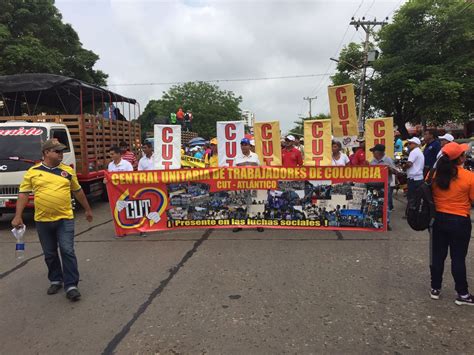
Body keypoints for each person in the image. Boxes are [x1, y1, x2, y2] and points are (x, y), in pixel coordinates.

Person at [11, 139, 93, 302]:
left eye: (62, 151)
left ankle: (71, 285)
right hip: (42, 220)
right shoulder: (33, 172)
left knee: (67, 250)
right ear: (46, 153)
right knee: (49, 253)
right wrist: (18, 215)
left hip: (65, 219)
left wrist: (88, 209)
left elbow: (77, 191)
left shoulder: (67, 171)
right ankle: (56, 279)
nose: (61, 154)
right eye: (57, 151)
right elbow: (24, 194)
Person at [429, 142, 474, 305]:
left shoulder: (434, 175)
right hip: (460, 221)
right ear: (460, 158)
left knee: (438, 256)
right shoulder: (469, 176)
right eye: (463, 153)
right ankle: (462, 294)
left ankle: (435, 288)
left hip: (438, 220)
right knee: (458, 258)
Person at [234, 138, 262, 233]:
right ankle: (239, 224)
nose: (244, 146)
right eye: (242, 144)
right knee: (241, 203)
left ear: (249, 146)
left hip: (253, 183)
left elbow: (259, 169)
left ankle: (258, 224)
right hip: (242, 184)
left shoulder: (255, 156)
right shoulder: (237, 157)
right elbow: (233, 171)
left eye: (245, 144)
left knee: (255, 203)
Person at [369, 144, 397, 229]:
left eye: (374, 152)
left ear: (378, 152)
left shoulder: (388, 160)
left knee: (386, 204)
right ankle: (375, 221)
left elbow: (396, 172)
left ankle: (386, 222)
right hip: (374, 185)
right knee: (374, 202)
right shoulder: (372, 161)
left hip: (385, 185)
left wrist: (389, 169)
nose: (373, 153)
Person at [404, 137, 425, 209]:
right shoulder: (419, 151)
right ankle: (415, 214)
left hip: (413, 178)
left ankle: (411, 215)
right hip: (419, 178)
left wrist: (404, 167)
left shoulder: (414, 152)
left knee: (411, 198)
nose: (408, 145)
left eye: (410, 143)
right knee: (417, 198)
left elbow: (409, 164)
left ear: (415, 144)